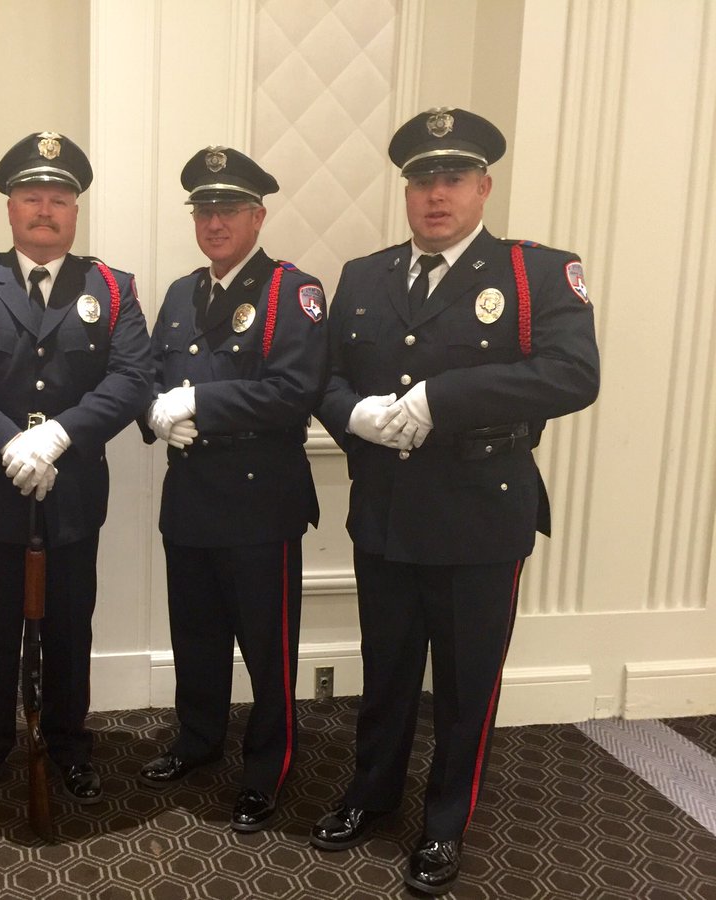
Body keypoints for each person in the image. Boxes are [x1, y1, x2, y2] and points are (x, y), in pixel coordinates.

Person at [309, 108, 600, 895]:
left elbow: (576, 375)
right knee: (388, 670)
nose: (436, 194)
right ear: (406, 190)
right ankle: (371, 796)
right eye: (422, 180)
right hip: (386, 509)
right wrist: (351, 416)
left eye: (453, 178)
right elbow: (328, 378)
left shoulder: (535, 274)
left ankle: (445, 824)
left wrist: (445, 395)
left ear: (483, 186)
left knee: (467, 684)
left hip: (480, 510)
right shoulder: (365, 276)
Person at [0, 132, 152, 813]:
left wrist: (58, 436)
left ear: (75, 211)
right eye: (32, 196)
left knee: (68, 628)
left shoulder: (112, 287)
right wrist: (9, 444)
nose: (45, 209)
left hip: (73, 494)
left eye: (59, 199)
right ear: (9, 206)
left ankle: (68, 743)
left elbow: (132, 375)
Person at [137, 147, 329, 833]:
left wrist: (199, 405)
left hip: (257, 504)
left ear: (258, 215)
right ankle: (196, 740)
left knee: (267, 648)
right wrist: (158, 413)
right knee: (197, 638)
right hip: (190, 498)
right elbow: (152, 374)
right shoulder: (182, 293)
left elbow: (292, 391)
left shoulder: (291, 291)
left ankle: (268, 767)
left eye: (228, 210)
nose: (214, 222)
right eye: (204, 209)